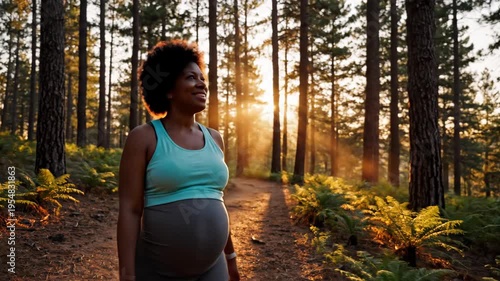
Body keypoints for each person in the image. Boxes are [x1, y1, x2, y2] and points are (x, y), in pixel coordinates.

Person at [117, 39, 240, 281]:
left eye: (202, 78)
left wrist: (231, 258)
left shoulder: (215, 138)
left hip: (213, 269)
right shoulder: (144, 138)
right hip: (157, 271)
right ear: (168, 89)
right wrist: (127, 274)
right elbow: (130, 211)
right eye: (191, 78)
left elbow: (215, 200)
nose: (201, 84)